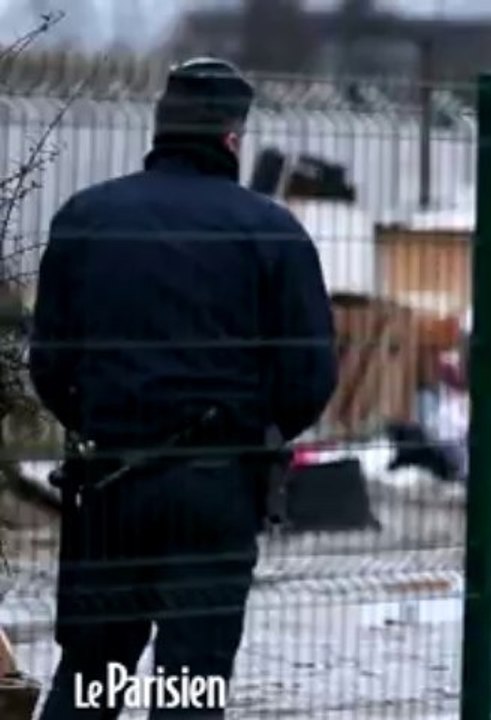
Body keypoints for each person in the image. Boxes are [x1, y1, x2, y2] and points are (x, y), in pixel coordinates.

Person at [30, 58, 337, 718]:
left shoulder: (87, 217)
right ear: (233, 135)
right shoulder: (270, 231)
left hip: (109, 478)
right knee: (190, 680)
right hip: (216, 482)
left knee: (93, 671)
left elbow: (50, 364)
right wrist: (255, 429)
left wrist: (105, 417)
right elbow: (310, 376)